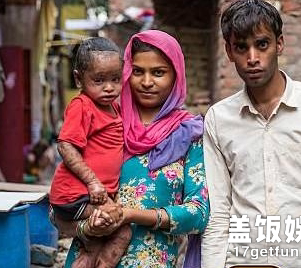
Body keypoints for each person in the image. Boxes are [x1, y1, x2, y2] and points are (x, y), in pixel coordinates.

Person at [201, 1, 301, 267]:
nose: (252, 57)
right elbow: (219, 212)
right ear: (228, 51)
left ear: (279, 44)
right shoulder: (218, 119)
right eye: (241, 47)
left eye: (262, 44)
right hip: (244, 262)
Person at [60, 30, 210, 267]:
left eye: (158, 73)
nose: (147, 82)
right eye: (137, 71)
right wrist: (89, 227)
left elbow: (199, 214)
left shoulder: (189, 134)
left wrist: (132, 215)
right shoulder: (104, 121)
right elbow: (59, 205)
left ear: (176, 76)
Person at [49, 37, 131, 268]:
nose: (109, 87)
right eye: (99, 80)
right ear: (78, 78)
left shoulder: (114, 108)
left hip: (87, 195)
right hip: (75, 195)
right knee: (121, 229)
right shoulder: (82, 105)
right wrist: (93, 182)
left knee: (92, 247)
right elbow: (66, 145)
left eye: (115, 79)